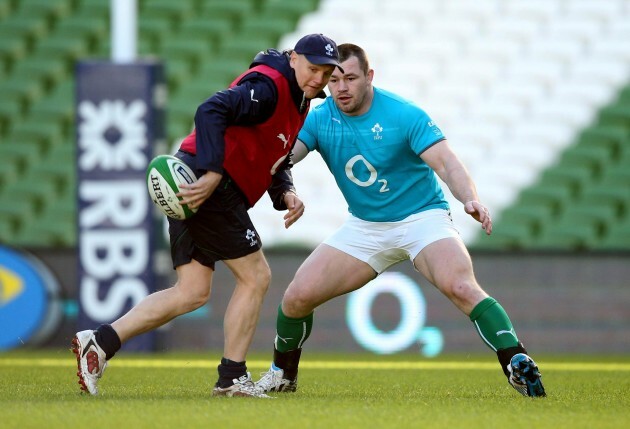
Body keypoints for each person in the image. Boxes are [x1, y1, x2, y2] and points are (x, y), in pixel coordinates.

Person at [255, 43, 546, 398]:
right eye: (335, 80)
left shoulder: (403, 114)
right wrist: (288, 192)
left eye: (350, 78)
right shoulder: (320, 117)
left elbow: (447, 163)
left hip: (422, 219)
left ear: (369, 77)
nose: (341, 87)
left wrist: (469, 197)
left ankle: (516, 361)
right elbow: (282, 160)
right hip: (365, 227)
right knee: (296, 298)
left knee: (461, 287)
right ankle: (283, 376)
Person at [71, 34, 344, 398]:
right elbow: (210, 109)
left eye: (326, 72)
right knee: (256, 276)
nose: (319, 78)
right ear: (293, 59)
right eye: (314, 68)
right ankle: (232, 378)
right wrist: (213, 171)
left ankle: (100, 342)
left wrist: (285, 192)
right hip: (208, 185)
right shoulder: (268, 87)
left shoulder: (297, 97)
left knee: (192, 292)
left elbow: (272, 153)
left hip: (194, 182)